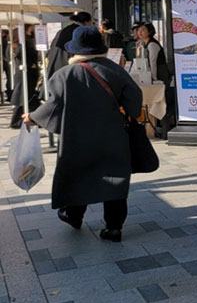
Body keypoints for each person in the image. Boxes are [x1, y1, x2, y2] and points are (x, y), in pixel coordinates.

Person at [24, 26, 143, 242]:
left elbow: (53, 106)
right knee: (114, 180)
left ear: (75, 50)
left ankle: (73, 215)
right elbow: (134, 104)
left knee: (78, 176)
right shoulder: (116, 70)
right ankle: (114, 228)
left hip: (77, 139)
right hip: (113, 137)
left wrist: (32, 117)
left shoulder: (64, 75)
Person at [8, 26, 41, 129]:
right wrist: (32, 63)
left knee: (28, 96)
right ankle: (18, 121)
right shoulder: (23, 44)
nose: (32, 29)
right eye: (31, 27)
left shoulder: (23, 43)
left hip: (27, 73)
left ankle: (33, 119)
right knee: (24, 96)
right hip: (26, 73)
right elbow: (22, 55)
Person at [46, 11, 93, 78]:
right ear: (86, 22)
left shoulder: (62, 30)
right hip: (69, 65)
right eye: (91, 22)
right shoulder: (82, 32)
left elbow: (53, 45)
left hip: (55, 62)